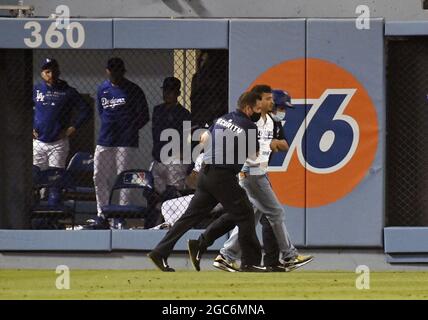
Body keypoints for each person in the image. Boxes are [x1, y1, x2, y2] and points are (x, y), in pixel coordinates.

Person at [148, 91, 265, 272]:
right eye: (257, 108)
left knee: (188, 218)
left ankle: (160, 252)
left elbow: (204, 138)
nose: (259, 111)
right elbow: (253, 155)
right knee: (246, 214)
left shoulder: (222, 119)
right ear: (248, 108)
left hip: (206, 173)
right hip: (223, 176)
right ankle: (251, 262)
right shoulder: (249, 126)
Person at [213, 86, 313, 272]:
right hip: (250, 172)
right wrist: (268, 143)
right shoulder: (253, 120)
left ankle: (225, 256)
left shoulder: (272, 122)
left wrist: (273, 143)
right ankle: (290, 256)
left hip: (259, 172)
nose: (278, 108)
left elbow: (283, 144)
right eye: (273, 102)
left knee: (251, 217)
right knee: (276, 213)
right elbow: (245, 141)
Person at [90, 57, 149, 229]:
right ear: (107, 70)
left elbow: (144, 115)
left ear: (123, 71)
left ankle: (121, 216)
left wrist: (129, 129)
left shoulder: (133, 89)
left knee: (125, 178)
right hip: (105, 139)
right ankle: (103, 214)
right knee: (99, 175)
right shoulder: (102, 88)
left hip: (126, 142)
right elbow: (102, 112)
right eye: (111, 69)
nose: (114, 73)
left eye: (117, 70)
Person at [33, 58, 91, 204]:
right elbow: (22, 108)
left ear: (58, 72)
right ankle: (38, 215)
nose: (50, 75)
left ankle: (54, 214)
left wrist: (72, 128)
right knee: (36, 179)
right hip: (38, 142)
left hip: (58, 143)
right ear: (42, 73)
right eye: (47, 71)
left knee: (55, 180)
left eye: (53, 71)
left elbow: (86, 110)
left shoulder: (68, 91)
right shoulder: (36, 90)